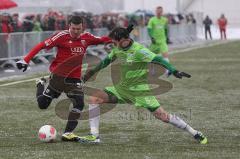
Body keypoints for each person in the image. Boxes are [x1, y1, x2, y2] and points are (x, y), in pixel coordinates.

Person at [78, 26, 208, 144]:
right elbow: (105, 62)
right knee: (94, 99)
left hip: (140, 91)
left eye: (114, 41)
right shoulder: (118, 49)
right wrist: (88, 75)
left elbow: (159, 59)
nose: (113, 44)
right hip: (121, 89)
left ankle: (194, 132)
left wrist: (173, 70)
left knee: (163, 116)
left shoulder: (139, 50)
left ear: (123, 40)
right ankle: (94, 136)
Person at [16, 15, 111, 142]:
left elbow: (103, 39)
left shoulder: (87, 37)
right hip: (59, 76)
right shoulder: (61, 36)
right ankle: (40, 84)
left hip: (75, 79)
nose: (76, 31)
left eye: (79, 29)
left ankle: (68, 133)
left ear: (82, 27)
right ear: (69, 26)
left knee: (79, 103)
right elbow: (41, 45)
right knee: (43, 105)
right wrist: (26, 60)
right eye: (73, 28)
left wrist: (119, 37)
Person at [147, 6, 170, 75]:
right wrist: (151, 37)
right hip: (154, 42)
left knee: (165, 55)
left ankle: (167, 71)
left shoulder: (165, 20)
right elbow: (149, 29)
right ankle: (151, 69)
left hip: (162, 41)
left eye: (160, 11)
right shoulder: (152, 20)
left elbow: (166, 29)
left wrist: (166, 37)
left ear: (162, 12)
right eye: (158, 11)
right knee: (151, 57)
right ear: (156, 12)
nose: (159, 13)